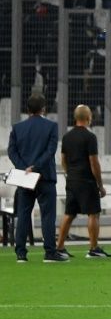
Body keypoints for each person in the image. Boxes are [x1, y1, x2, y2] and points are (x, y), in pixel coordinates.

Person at [8, 94, 64, 263]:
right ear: (43, 109)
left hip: (25, 178)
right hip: (45, 177)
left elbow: (12, 151)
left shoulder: (17, 128)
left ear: (27, 109)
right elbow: (50, 151)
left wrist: (24, 167)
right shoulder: (51, 126)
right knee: (47, 215)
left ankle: (21, 253)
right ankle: (49, 252)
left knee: (23, 214)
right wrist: (36, 167)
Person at [56, 105, 111, 259]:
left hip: (72, 180)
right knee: (93, 213)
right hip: (86, 180)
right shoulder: (90, 137)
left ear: (75, 118)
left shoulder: (67, 137)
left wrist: (69, 174)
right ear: (88, 118)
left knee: (69, 213)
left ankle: (59, 247)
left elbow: (63, 160)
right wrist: (100, 185)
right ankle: (93, 248)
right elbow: (94, 162)